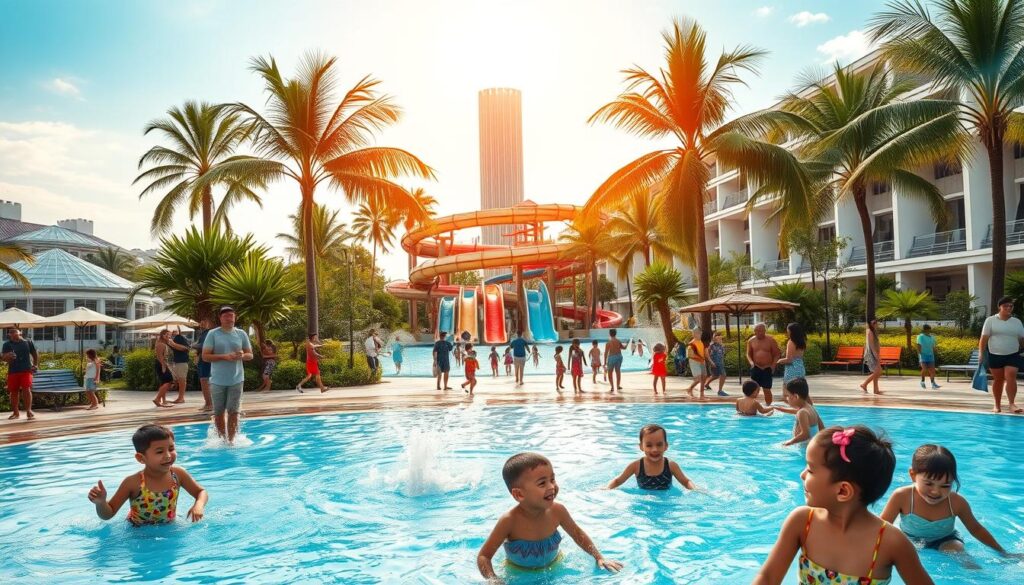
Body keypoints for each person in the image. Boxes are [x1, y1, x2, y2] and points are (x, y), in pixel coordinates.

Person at [754, 426, 932, 585]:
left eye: (810, 469)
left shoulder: (890, 542)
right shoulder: (802, 522)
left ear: (843, 491)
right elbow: (768, 578)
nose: (802, 475)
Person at [476, 452, 623, 578]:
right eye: (542, 483)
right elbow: (484, 556)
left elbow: (577, 534)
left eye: (552, 479)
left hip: (556, 567)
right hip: (519, 574)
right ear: (519, 494)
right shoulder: (509, 521)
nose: (552, 486)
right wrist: (493, 580)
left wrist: (599, 558)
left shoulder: (557, 511)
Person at [880, 444, 1023, 561]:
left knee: (959, 551)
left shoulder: (956, 502)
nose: (936, 492)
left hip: (945, 539)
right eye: (929, 484)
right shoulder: (902, 496)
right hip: (910, 539)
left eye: (945, 486)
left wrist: (1003, 552)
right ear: (912, 475)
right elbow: (881, 526)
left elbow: (976, 529)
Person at [87, 424, 207, 525]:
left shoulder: (178, 474)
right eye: (160, 451)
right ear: (141, 458)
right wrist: (101, 503)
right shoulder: (133, 482)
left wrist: (199, 505)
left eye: (171, 448)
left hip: (169, 528)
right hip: (137, 533)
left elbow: (201, 492)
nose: (168, 455)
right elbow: (108, 514)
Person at [201, 306, 254, 444]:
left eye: (231, 315)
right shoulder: (213, 334)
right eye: (226, 316)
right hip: (217, 380)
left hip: (236, 379)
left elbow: (250, 355)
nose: (229, 318)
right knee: (218, 412)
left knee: (234, 411)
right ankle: (221, 440)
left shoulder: (241, 333)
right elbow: (205, 356)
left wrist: (242, 355)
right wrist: (225, 356)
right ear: (220, 318)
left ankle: (231, 441)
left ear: (235, 317)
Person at [606, 424, 696, 490]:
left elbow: (686, 481)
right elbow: (617, 481)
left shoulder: (671, 465)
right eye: (649, 445)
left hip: (666, 501)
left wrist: (695, 490)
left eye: (659, 445)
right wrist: (607, 489)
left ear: (666, 446)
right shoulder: (635, 466)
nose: (654, 449)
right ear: (641, 447)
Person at [979, 296, 1024, 413]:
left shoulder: (1017, 322)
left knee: (1011, 375)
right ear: (1000, 307)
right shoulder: (990, 320)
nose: (1009, 308)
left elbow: (1022, 339)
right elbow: (984, 339)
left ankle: (1012, 404)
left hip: (1013, 354)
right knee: (998, 380)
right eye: (1006, 306)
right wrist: (981, 353)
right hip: (995, 354)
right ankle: (997, 405)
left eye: (1011, 306)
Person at [774, 378, 824, 446]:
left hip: (804, 447)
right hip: (812, 446)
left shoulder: (802, 412)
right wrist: (780, 409)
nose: (786, 399)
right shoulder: (810, 408)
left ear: (796, 396)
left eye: (788, 396)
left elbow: (805, 435)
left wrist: (789, 443)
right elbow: (822, 428)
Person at [2, 328, 38, 420]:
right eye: (10, 332)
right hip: (13, 370)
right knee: (14, 391)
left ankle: (29, 411)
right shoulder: (7, 344)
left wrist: (35, 364)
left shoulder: (28, 342)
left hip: (26, 369)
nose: (11, 334)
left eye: (14, 331)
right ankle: (15, 413)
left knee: (26, 389)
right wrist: (6, 356)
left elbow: (34, 354)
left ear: (20, 332)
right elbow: (2, 357)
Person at [746, 323, 781, 405]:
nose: (759, 332)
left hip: (767, 367)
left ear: (765, 331)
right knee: (753, 389)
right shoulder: (751, 341)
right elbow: (748, 354)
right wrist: (751, 362)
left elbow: (777, 354)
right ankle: (750, 405)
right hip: (756, 367)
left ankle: (768, 406)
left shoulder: (771, 340)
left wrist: (773, 366)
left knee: (766, 389)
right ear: (754, 331)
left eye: (761, 331)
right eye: (757, 331)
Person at [193, 317, 214, 412]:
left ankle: (209, 404)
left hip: (206, 360)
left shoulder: (208, 333)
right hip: (203, 359)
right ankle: (208, 403)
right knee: (204, 381)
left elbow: (203, 345)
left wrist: (191, 345)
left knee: (204, 381)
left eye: (204, 321)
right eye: (201, 321)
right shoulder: (204, 333)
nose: (201, 323)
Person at [777, 322, 807, 388]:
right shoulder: (802, 341)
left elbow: (789, 360)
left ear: (792, 332)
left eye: (788, 331)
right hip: (800, 368)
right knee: (801, 392)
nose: (787, 333)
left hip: (792, 369)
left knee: (787, 392)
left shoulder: (791, 342)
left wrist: (779, 361)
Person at [166, 328, 192, 404]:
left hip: (182, 362)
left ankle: (181, 398)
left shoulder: (180, 337)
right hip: (177, 362)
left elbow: (186, 348)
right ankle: (180, 398)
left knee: (182, 380)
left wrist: (173, 344)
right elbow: (175, 349)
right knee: (178, 380)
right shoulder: (174, 338)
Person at [152, 330, 176, 408]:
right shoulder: (161, 344)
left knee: (164, 382)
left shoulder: (163, 343)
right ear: (163, 335)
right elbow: (160, 357)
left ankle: (163, 401)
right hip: (161, 364)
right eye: (168, 335)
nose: (169, 336)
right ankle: (157, 399)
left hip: (163, 364)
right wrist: (163, 366)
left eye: (170, 335)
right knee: (168, 381)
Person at [860, 319, 884, 395]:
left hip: (875, 354)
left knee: (876, 371)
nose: (877, 325)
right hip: (872, 355)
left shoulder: (873, 332)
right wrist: (877, 356)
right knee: (878, 371)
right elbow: (872, 346)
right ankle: (864, 384)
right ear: (872, 324)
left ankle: (876, 390)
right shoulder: (870, 332)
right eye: (875, 323)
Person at [685, 329, 710, 399]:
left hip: (702, 361)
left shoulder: (701, 342)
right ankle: (689, 389)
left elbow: (702, 352)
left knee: (704, 377)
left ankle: (702, 393)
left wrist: (704, 359)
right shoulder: (691, 344)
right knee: (698, 379)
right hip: (694, 362)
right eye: (698, 334)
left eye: (700, 334)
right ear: (693, 334)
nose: (700, 335)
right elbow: (689, 355)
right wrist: (700, 358)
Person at [916, 324, 940, 390]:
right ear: (924, 330)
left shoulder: (932, 337)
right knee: (925, 369)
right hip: (923, 356)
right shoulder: (920, 337)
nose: (928, 331)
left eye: (929, 330)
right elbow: (918, 346)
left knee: (932, 370)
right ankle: (922, 381)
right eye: (927, 330)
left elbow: (933, 346)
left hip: (930, 356)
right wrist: (920, 356)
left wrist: (935, 352)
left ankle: (933, 384)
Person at [604, 329, 625, 393]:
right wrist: (627, 344)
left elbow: (606, 353)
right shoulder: (618, 341)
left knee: (610, 372)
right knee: (618, 371)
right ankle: (618, 385)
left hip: (612, 357)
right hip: (619, 356)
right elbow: (623, 348)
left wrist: (604, 362)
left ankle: (612, 387)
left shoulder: (608, 342)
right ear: (615, 334)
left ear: (610, 334)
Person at [708, 331, 728, 397]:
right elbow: (707, 354)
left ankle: (706, 384)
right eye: (718, 338)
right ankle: (720, 391)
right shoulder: (711, 345)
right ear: (714, 338)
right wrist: (711, 362)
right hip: (714, 363)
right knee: (723, 375)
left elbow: (722, 354)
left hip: (720, 363)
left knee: (715, 376)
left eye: (720, 338)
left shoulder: (721, 346)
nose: (720, 339)